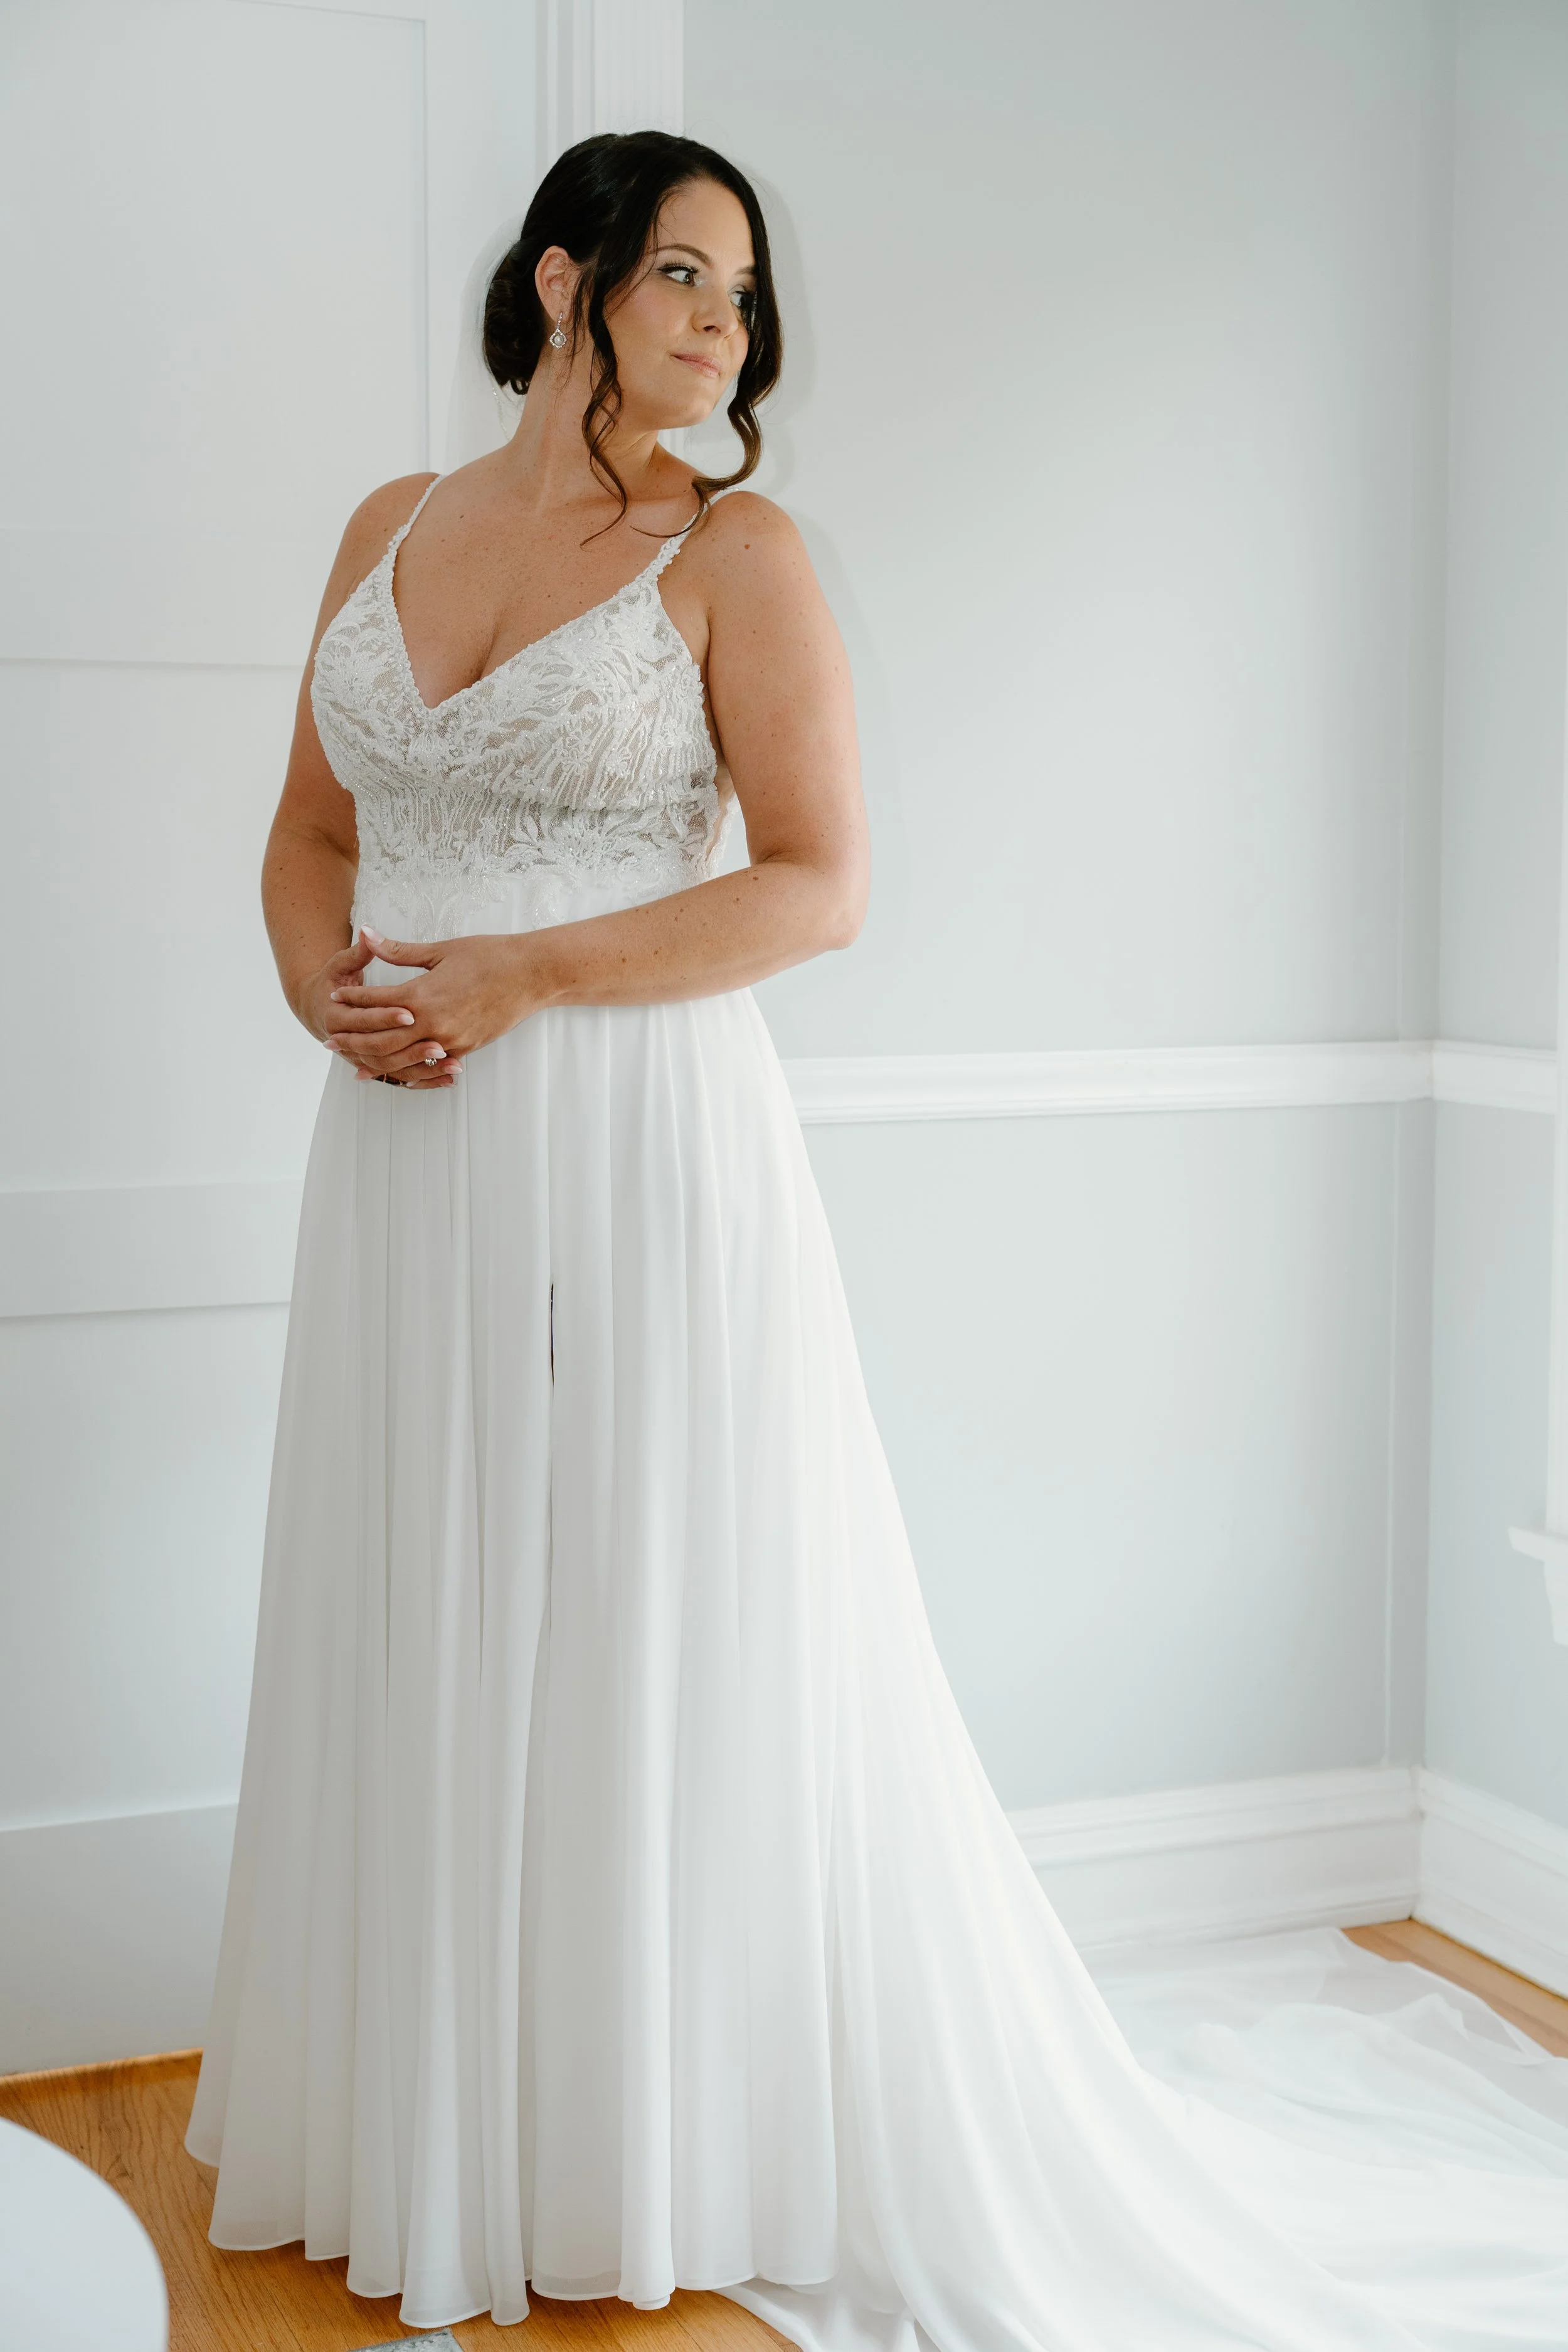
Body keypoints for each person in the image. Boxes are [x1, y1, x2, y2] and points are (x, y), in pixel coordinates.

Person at [186, 130, 1568, 2347]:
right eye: (680, 273)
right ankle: (439, 2122)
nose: (725, 322)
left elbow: (818, 883)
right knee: (426, 1588)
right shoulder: (385, 530)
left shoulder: (741, 556)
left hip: (636, 1142)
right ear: (563, 281)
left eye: (743, 290)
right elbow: (308, 828)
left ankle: (644, 2142)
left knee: (633, 1607)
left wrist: (525, 979)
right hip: (408, 1160)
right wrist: (309, 986)